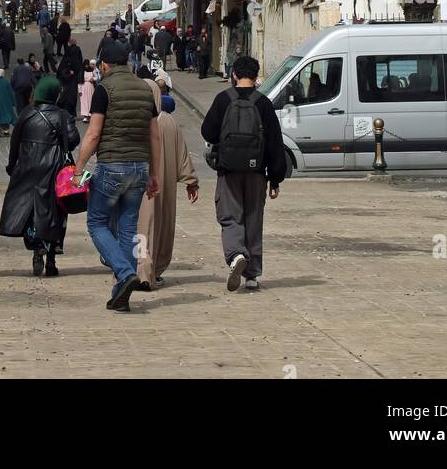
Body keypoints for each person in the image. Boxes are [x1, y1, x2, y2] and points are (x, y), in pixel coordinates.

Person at [71, 39, 160, 313]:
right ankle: (122, 296)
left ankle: (124, 273)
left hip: (112, 167)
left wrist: (79, 168)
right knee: (129, 229)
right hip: (139, 169)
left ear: (105, 64)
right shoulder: (146, 90)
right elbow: (154, 136)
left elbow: (94, 133)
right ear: (128, 62)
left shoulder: (104, 89)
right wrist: (153, 173)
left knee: (97, 223)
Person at [200, 54, 288, 293]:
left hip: (228, 171)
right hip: (257, 172)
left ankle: (236, 254)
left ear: (234, 75)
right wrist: (275, 177)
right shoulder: (263, 103)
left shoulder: (223, 99)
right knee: (253, 219)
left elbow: (208, 132)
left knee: (230, 217)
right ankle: (252, 275)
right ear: (256, 76)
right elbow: (274, 143)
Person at [0, 74, 81, 277]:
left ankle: (37, 249)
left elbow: (14, 143)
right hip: (54, 169)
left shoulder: (27, 114)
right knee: (55, 213)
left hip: (27, 168)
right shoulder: (62, 116)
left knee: (32, 213)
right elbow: (73, 140)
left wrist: (12, 165)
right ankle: (51, 259)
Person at [135, 79, 199, 291]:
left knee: (142, 229)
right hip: (164, 188)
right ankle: (155, 270)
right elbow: (182, 155)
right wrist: (191, 182)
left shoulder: (137, 120)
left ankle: (142, 270)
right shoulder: (169, 122)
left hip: (140, 186)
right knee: (161, 228)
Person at [56, 34, 84, 116]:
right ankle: (72, 113)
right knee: (72, 97)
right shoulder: (77, 51)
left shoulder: (65, 60)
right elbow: (80, 59)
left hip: (66, 82)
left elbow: (60, 71)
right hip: (73, 79)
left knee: (65, 96)